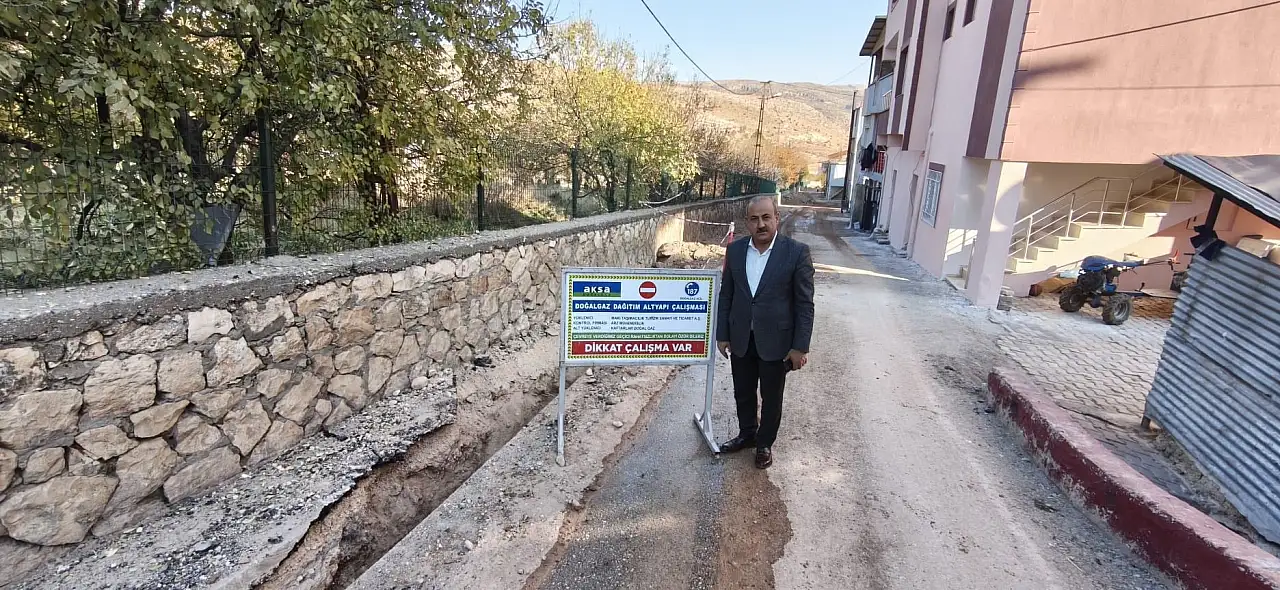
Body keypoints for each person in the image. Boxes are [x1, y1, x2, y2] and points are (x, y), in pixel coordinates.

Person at [715, 195, 816, 469]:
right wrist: (722, 334)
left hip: (777, 340)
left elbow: (804, 304)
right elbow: (727, 295)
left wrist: (800, 347)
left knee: (771, 397)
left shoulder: (796, 253)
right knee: (743, 392)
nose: (760, 224)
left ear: (777, 218)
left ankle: (764, 444)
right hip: (741, 338)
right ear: (747, 222)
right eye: (754, 219)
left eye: (766, 217)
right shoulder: (735, 251)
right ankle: (747, 434)